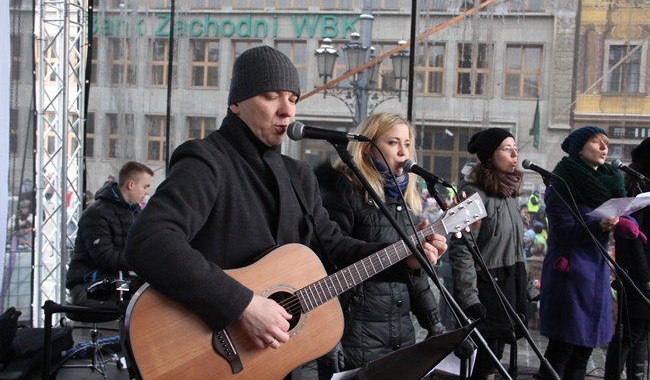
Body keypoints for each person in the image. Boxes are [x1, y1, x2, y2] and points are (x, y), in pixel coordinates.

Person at [123, 46, 448, 380]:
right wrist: (242, 305)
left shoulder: (298, 175)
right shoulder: (207, 161)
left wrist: (405, 257)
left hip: (271, 360)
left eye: (292, 99)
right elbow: (149, 241)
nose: (286, 112)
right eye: (270, 96)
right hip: (203, 354)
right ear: (236, 103)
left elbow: (334, 249)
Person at [313, 112, 445, 378]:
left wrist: (434, 323)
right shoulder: (342, 192)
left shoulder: (407, 203)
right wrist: (329, 339)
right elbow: (326, 268)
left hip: (400, 337)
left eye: (407, 144)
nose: (402, 152)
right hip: (354, 337)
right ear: (367, 147)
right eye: (393, 143)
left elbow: (412, 272)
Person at [536, 126, 647, 380]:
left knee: (584, 351)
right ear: (579, 149)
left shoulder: (610, 180)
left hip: (595, 273)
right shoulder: (561, 183)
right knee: (563, 347)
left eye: (605, 143)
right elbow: (562, 233)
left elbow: (622, 213)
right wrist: (597, 226)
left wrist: (627, 224)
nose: (604, 148)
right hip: (570, 272)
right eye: (597, 143)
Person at [449, 128, 528, 380]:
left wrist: (526, 288)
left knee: (497, 360)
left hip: (508, 284)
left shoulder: (508, 191)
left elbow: (513, 245)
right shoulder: (474, 192)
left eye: (515, 148)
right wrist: (470, 297)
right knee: (482, 363)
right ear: (489, 156)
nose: (515, 154)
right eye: (507, 149)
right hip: (486, 289)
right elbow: (462, 248)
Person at [65, 161, 153, 308]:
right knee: (137, 305)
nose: (147, 192)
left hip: (119, 280)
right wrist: (144, 260)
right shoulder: (96, 214)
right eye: (145, 187)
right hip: (90, 285)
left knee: (160, 293)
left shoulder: (136, 212)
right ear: (131, 185)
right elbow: (106, 258)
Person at [604, 137, 650, 380]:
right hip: (637, 277)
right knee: (631, 333)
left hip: (641, 276)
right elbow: (632, 239)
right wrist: (644, 279)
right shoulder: (639, 193)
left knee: (642, 332)